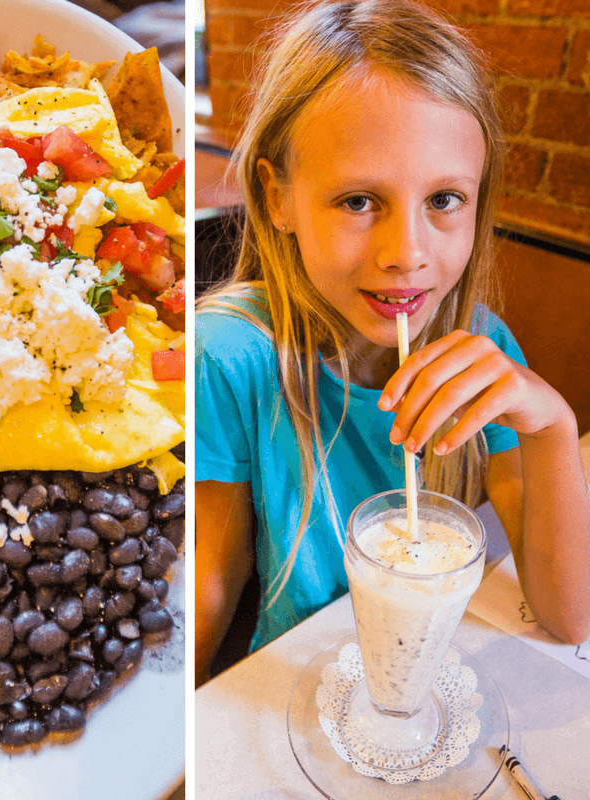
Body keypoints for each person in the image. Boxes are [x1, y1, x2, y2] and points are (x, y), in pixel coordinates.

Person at [195, 0, 590, 687]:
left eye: (443, 200)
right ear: (278, 195)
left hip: (434, 673)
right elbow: (208, 586)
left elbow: (568, 615)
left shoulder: (482, 348)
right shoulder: (229, 357)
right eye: (358, 202)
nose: (407, 253)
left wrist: (552, 424)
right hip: (291, 693)